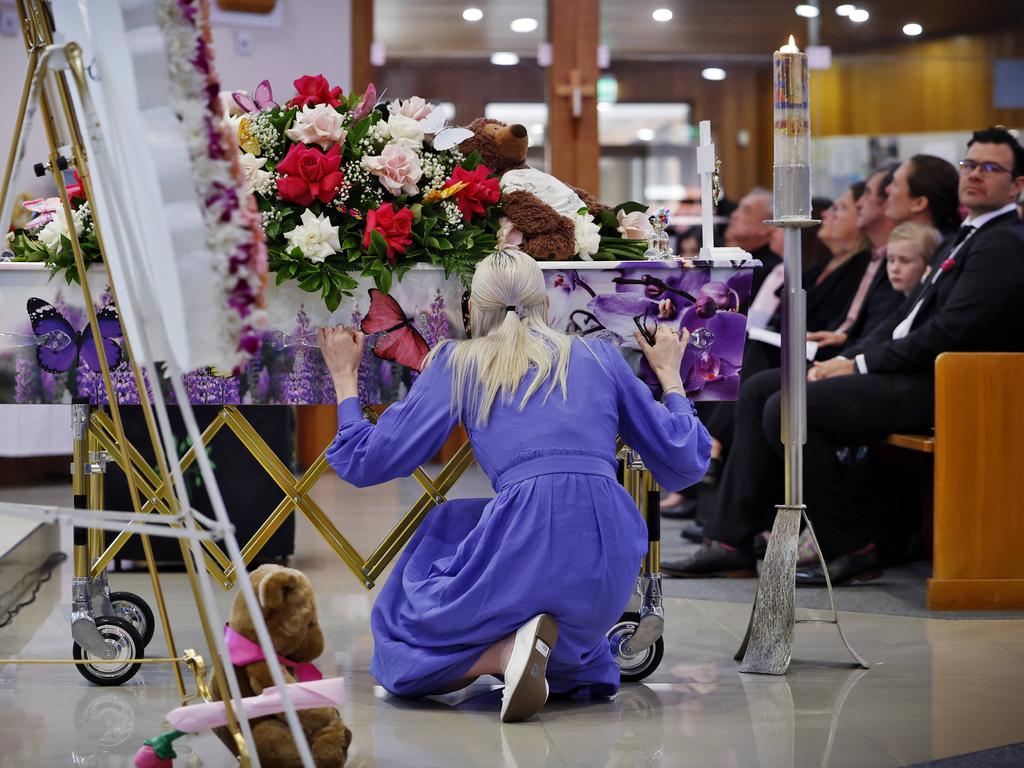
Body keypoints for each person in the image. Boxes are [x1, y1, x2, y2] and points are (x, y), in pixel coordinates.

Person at [317, 250, 710, 722]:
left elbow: (366, 462)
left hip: (525, 539)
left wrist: (344, 377)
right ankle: (550, 650)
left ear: (471, 310)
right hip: (607, 557)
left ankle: (502, 653)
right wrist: (669, 375)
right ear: (545, 303)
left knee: (399, 651)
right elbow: (685, 462)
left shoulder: (457, 362)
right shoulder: (598, 355)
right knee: (458, 520)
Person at [665, 127, 1024, 584]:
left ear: (1016, 185)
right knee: (761, 388)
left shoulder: (1004, 243)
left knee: (789, 405)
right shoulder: (970, 234)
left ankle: (851, 545)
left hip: (950, 382)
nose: (975, 175)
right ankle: (731, 541)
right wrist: (845, 358)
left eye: (990, 168)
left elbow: (949, 332)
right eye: (969, 165)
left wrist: (858, 364)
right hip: (915, 370)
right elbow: (904, 321)